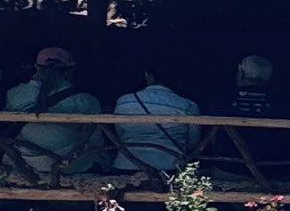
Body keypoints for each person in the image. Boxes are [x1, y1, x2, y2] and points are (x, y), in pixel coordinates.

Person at [0, 46, 103, 183]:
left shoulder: (14, 94)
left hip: (20, 162)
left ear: (36, 67)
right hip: (71, 166)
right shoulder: (87, 100)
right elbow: (96, 141)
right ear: (71, 70)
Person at [111, 69, 201, 178]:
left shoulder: (124, 101)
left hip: (126, 164)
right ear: (178, 79)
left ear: (147, 75)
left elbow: (119, 134)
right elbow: (193, 142)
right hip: (169, 166)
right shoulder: (188, 105)